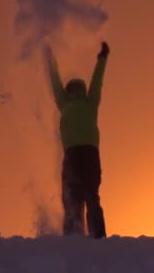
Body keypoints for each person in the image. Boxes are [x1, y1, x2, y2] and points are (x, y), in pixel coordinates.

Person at [44, 41, 110, 238]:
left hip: (89, 154)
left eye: (76, 87)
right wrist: (49, 59)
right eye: (70, 87)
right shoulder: (63, 103)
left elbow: (97, 81)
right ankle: (74, 235)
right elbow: (54, 80)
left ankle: (97, 236)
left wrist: (102, 58)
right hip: (71, 155)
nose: (73, 89)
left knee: (91, 196)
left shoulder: (90, 102)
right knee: (72, 198)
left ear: (81, 89)